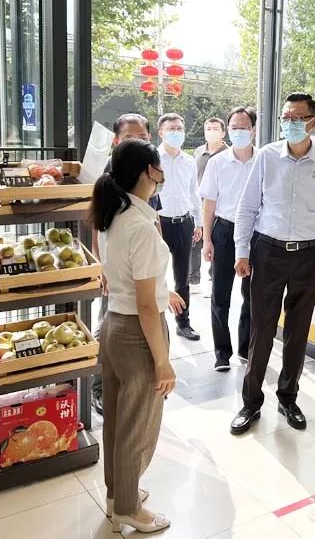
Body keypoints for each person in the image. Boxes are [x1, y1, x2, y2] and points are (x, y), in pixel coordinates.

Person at [230, 92, 315, 435]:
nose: (290, 123)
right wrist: (241, 251)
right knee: (262, 328)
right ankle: (251, 402)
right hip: (268, 251)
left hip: (310, 254)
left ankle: (288, 397)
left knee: (298, 331)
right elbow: (247, 207)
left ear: (313, 122)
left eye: (297, 117)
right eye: (286, 117)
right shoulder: (267, 156)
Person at [90, 139, 184, 534]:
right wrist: (162, 361)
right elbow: (146, 306)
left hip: (113, 324)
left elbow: (130, 281)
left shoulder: (114, 214)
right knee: (138, 425)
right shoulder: (141, 226)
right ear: (149, 172)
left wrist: (165, 292)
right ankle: (128, 508)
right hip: (137, 332)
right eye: (159, 166)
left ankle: (118, 495)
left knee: (117, 419)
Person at [91, 113, 155, 416]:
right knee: (111, 323)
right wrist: (102, 267)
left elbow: (153, 216)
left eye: (142, 137)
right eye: (130, 137)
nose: (137, 141)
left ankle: (136, 383)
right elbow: (98, 224)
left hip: (139, 262)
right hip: (119, 269)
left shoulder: (147, 171)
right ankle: (101, 389)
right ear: (117, 140)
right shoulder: (113, 171)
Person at [200, 107, 257, 372]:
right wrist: (207, 240)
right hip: (224, 231)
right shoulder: (217, 162)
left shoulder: (263, 160)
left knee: (252, 295)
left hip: (256, 234)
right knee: (220, 295)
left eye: (244, 127)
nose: (239, 132)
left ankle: (246, 348)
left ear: (253, 130)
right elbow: (209, 203)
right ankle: (222, 352)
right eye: (234, 127)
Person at [156, 113, 203, 341]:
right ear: (161, 133)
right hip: (159, 224)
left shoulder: (189, 161)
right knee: (155, 275)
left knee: (182, 277)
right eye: (171, 129)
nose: (176, 132)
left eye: (179, 129)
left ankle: (183, 323)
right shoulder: (153, 158)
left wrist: (199, 222)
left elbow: (194, 193)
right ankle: (156, 323)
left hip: (184, 223)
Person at [190, 118, 228, 294]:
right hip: (199, 205)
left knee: (215, 243)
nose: (211, 132)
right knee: (196, 242)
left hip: (220, 208)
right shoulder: (198, 152)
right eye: (208, 129)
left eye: (215, 129)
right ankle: (194, 280)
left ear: (223, 133)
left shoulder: (228, 154)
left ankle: (214, 279)